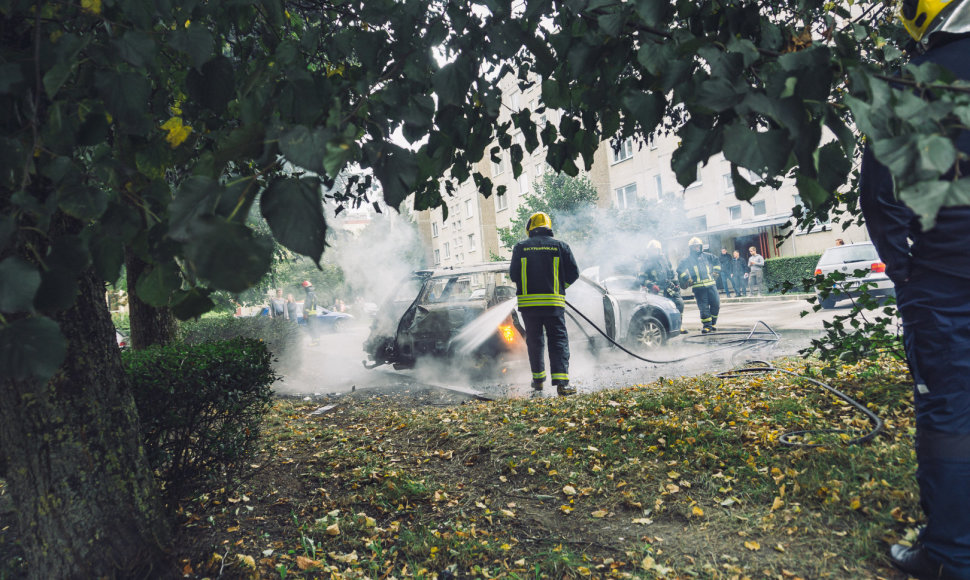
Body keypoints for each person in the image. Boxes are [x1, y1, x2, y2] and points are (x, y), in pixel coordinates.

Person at [861, 2, 970, 578]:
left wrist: (907, 275)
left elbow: (880, 195)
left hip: (944, 285)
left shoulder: (911, 83)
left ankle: (951, 557)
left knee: (951, 420)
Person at [509, 212, 580, 396]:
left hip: (529, 305)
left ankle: (538, 381)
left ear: (530, 228)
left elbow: (514, 275)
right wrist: (559, 287)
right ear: (549, 227)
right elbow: (574, 273)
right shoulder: (560, 246)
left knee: (535, 341)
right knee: (558, 341)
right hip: (553, 303)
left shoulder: (520, 248)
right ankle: (562, 385)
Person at [677, 237, 721, 334]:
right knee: (704, 307)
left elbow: (717, 261)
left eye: (698, 246)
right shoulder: (688, 260)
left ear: (701, 247)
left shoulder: (708, 256)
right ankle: (707, 326)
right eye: (694, 247)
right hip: (698, 288)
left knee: (716, 305)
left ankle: (713, 324)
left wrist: (716, 271)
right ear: (691, 248)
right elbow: (680, 269)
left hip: (711, 285)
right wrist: (687, 278)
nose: (696, 248)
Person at [638, 240, 687, 320]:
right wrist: (652, 285)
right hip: (657, 289)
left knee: (678, 303)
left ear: (659, 250)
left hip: (669, 287)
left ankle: (679, 325)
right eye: (652, 250)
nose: (654, 252)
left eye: (655, 250)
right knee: (659, 308)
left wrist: (675, 283)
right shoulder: (646, 263)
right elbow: (641, 278)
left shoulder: (665, 260)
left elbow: (671, 272)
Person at [302, 281, 320, 346]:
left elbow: (308, 304)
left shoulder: (309, 294)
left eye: (304, 287)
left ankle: (314, 342)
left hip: (310, 315)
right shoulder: (313, 293)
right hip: (314, 314)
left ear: (306, 287)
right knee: (315, 328)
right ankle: (317, 341)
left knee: (312, 328)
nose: (303, 289)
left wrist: (305, 313)